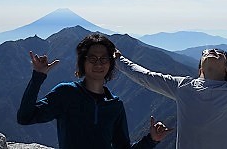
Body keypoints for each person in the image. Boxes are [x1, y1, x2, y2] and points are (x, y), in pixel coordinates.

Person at [17, 32, 172, 149]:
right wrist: (38, 76)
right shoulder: (66, 93)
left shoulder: (115, 106)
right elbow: (25, 117)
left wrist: (151, 140)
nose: (98, 64)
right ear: (83, 62)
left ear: (110, 64)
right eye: (92, 58)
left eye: (104, 59)